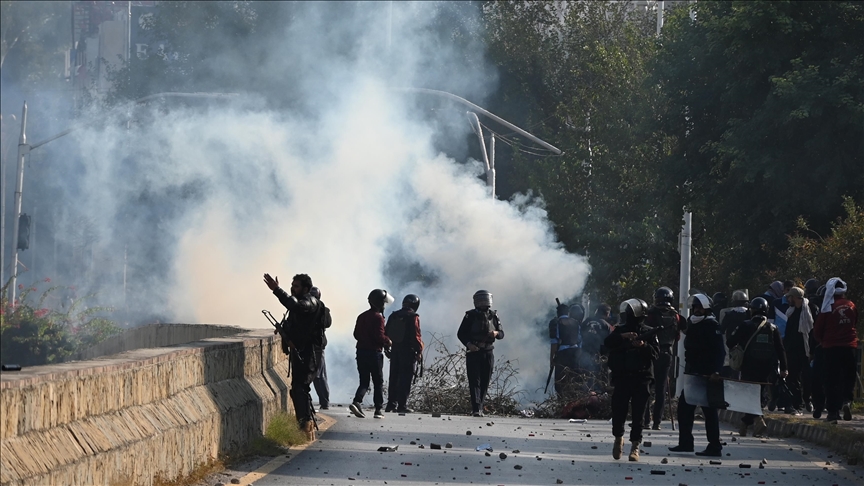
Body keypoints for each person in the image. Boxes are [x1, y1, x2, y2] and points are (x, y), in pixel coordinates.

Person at [264, 273, 326, 440]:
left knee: (300, 387)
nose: (293, 288)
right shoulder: (299, 305)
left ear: (306, 289)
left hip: (309, 352)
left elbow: (296, 306)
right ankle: (305, 424)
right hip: (300, 351)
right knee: (298, 388)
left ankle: (304, 426)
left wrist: (277, 290)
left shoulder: (310, 302)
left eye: (296, 286)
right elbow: (295, 320)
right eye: (292, 285)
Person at [669, 294, 725, 457]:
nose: (697, 310)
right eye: (695, 307)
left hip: (707, 375)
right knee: (684, 409)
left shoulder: (711, 325)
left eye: (700, 307)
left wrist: (716, 371)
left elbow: (719, 351)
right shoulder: (692, 324)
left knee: (709, 412)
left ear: (707, 309)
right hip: (693, 374)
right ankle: (686, 443)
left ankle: (715, 446)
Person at [605, 298, 659, 462]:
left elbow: (655, 354)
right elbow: (607, 343)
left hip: (641, 378)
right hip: (622, 377)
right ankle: (618, 439)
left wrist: (643, 346)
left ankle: (635, 446)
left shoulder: (649, 332)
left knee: (638, 415)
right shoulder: (620, 330)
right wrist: (623, 337)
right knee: (619, 411)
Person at [727, 297, 788, 437]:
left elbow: (730, 342)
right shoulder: (772, 328)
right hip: (767, 368)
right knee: (761, 395)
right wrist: (784, 368)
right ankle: (747, 424)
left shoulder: (745, 325)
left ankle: (756, 420)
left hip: (748, 366)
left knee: (749, 395)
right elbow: (780, 349)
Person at [813, 278, 858, 423]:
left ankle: (833, 413)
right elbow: (854, 322)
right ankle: (847, 401)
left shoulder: (828, 307)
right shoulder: (851, 305)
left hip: (831, 348)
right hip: (850, 347)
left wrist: (822, 341)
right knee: (848, 377)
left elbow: (818, 330)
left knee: (831, 381)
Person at [642, 287, 685, 430]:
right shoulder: (676, 316)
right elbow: (679, 334)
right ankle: (657, 422)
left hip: (651, 352)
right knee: (661, 389)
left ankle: (646, 420)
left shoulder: (650, 313)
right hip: (667, 353)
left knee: (647, 386)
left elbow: (644, 331)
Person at [457, 290, 505, 417]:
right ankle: (476, 408)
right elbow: (461, 333)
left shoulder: (494, 316)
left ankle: (481, 406)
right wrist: (469, 345)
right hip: (474, 352)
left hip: (488, 352)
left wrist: (495, 333)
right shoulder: (470, 316)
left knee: (485, 380)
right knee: (474, 381)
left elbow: (501, 334)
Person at [350, 289, 394, 419]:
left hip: (361, 352)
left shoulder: (362, 316)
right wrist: (388, 341)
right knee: (378, 382)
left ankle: (357, 401)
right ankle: (378, 410)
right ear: (380, 303)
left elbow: (356, 335)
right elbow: (379, 336)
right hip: (374, 354)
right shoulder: (378, 318)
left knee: (364, 381)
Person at [781, 287, 818, 415]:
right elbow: (788, 331)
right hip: (792, 350)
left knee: (807, 377)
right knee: (793, 377)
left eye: (789, 297)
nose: (788, 300)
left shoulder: (811, 309)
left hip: (806, 349)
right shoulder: (791, 311)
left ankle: (808, 399)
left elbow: (813, 331)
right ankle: (796, 404)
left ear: (795, 297)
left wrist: (812, 349)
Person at [384, 294, 424, 413]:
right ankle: (402, 405)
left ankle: (391, 404)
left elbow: (386, 332)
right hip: (408, 351)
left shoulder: (394, 315)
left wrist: (387, 348)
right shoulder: (413, 317)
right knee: (405, 379)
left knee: (394, 377)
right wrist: (419, 350)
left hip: (395, 350)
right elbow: (416, 335)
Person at [548, 302, 584, 396]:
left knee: (561, 383)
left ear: (557, 313)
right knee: (575, 380)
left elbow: (554, 343)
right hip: (576, 354)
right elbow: (579, 340)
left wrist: (552, 359)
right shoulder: (576, 323)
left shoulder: (555, 323)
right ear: (568, 313)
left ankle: (563, 404)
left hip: (563, 355)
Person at [717, 289, 750, 379]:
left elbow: (722, 329)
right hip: (747, 344)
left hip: (733, 345)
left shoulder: (730, 314)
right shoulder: (749, 314)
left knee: (734, 365)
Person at [310, 287, 332, 411]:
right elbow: (328, 324)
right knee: (320, 375)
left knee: (317, 375)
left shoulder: (306, 308)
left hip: (313, 346)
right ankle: (324, 402)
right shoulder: (324, 310)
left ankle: (324, 401)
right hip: (318, 347)